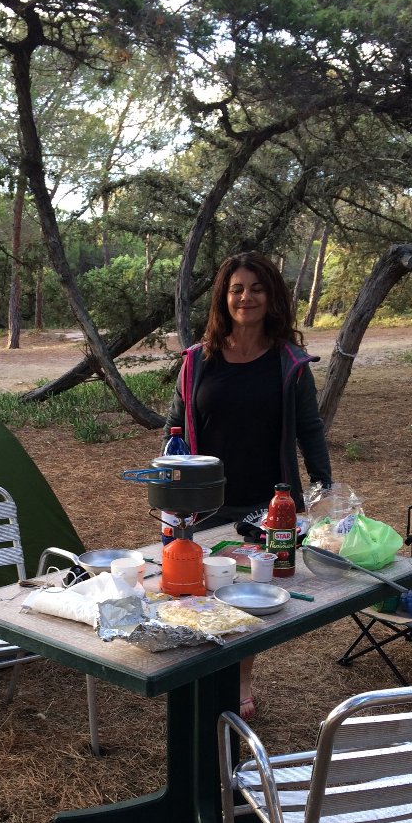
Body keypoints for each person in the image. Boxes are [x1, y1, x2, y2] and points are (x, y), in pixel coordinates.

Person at [163, 251, 332, 718]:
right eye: (237, 288)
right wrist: (170, 483)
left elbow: (309, 428)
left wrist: (323, 487)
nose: (246, 297)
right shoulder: (198, 361)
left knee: (249, 592)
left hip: (268, 502)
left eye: (256, 288)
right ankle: (201, 673)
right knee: (198, 585)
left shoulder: (288, 363)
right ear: (224, 298)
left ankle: (241, 678)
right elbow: (174, 426)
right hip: (203, 500)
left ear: (271, 296)